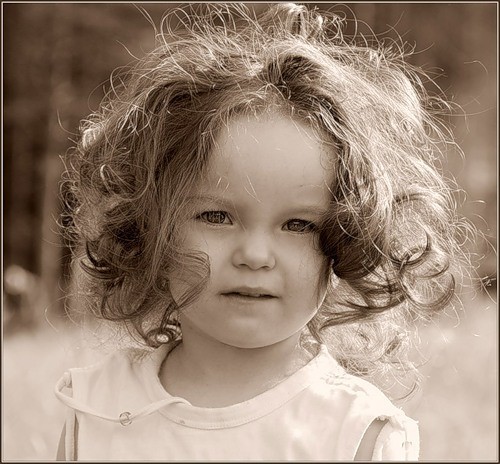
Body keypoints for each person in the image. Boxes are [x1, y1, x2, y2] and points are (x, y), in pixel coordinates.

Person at [55, 3, 468, 460]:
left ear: (347, 241)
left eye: (297, 224)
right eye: (216, 216)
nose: (254, 254)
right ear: (151, 228)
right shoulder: (95, 409)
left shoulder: (356, 435)